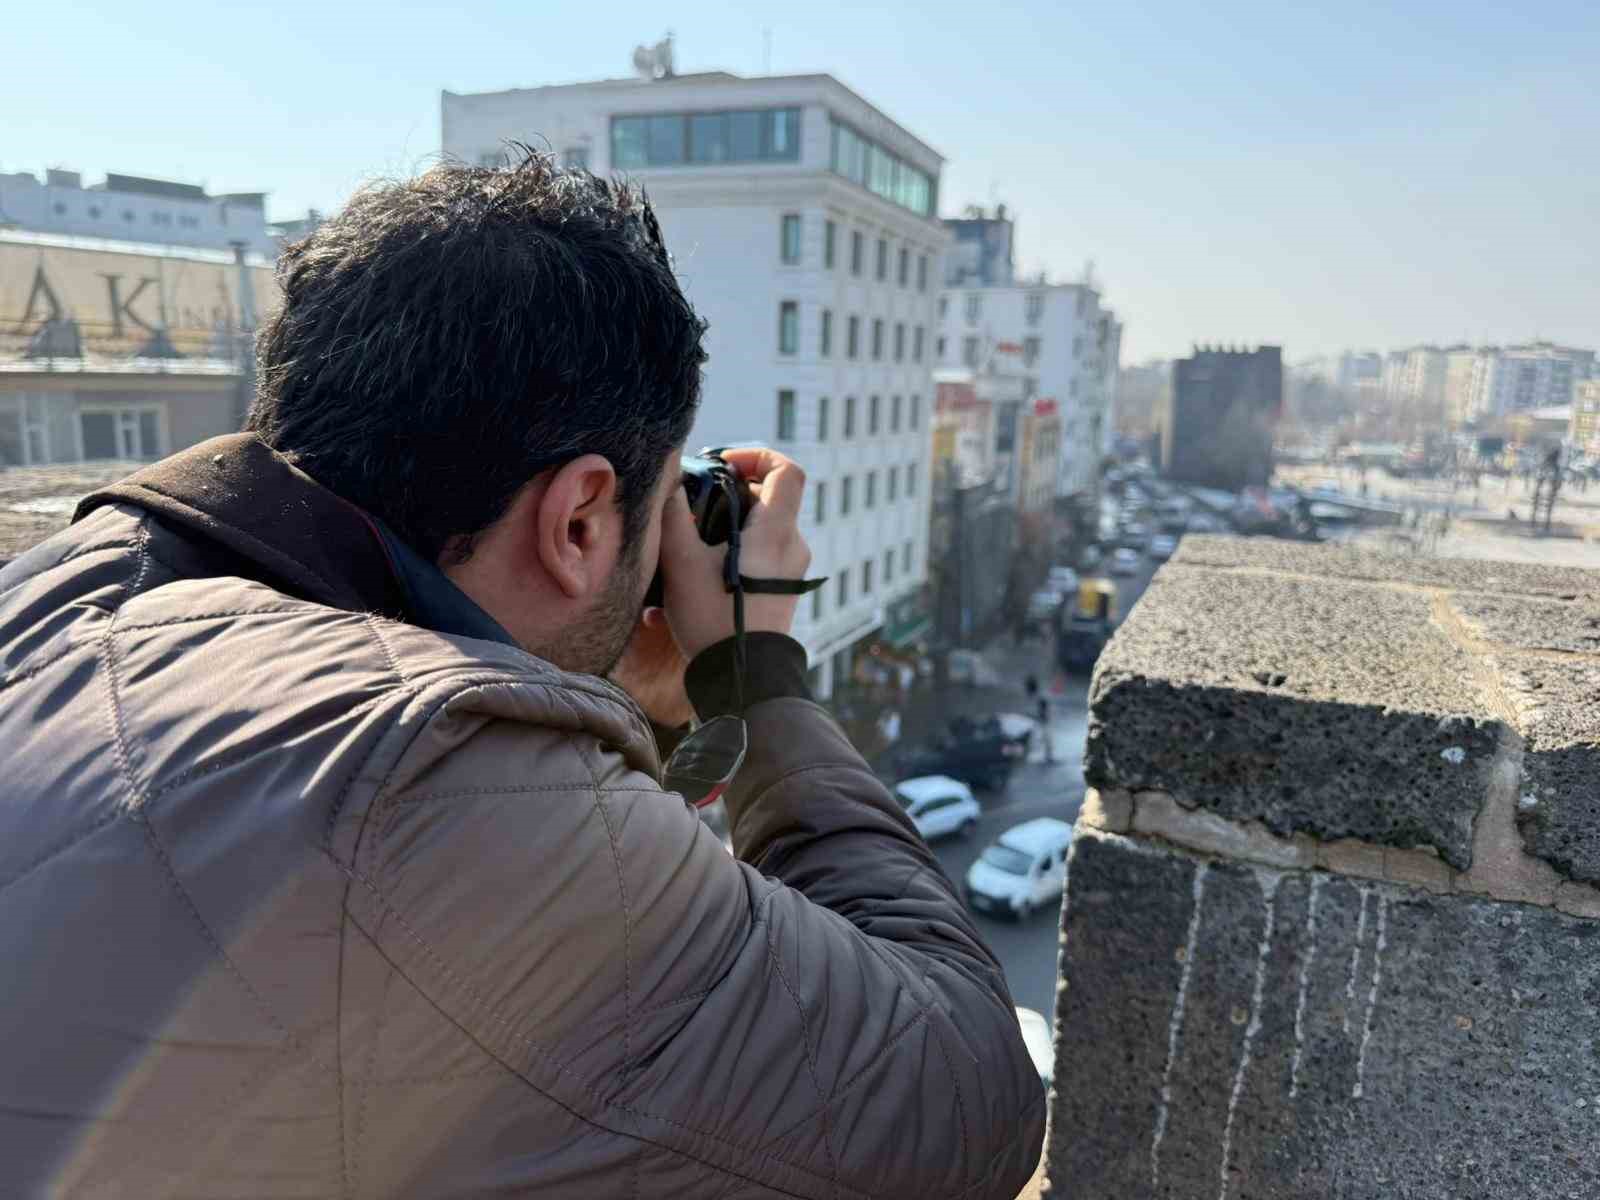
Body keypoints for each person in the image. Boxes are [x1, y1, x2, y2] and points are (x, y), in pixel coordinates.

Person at [0, 156, 1044, 1197]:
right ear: (580, 519)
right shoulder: (425, 777)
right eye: (655, 511)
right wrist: (752, 674)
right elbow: (965, 1101)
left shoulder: (59, 589)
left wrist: (601, 696)